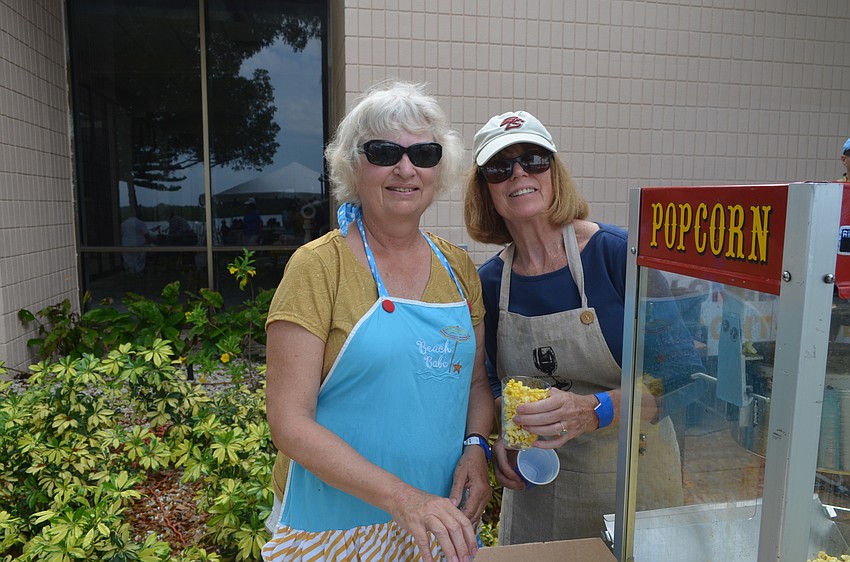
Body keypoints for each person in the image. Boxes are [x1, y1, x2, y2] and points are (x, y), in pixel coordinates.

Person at [262, 81, 494, 562]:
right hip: (331, 527)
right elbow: (289, 423)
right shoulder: (318, 267)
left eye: (424, 154)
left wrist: (476, 447)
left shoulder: (458, 268)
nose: (406, 169)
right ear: (353, 165)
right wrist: (404, 499)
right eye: (384, 152)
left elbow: (475, 384)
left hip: (437, 519)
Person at [463, 110, 704, 543]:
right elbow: (493, 381)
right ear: (485, 189)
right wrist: (508, 431)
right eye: (499, 167)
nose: (519, 173)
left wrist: (593, 410)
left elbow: (683, 378)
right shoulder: (491, 283)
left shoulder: (618, 257)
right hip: (539, 493)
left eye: (534, 159)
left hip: (631, 486)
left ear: (554, 171)